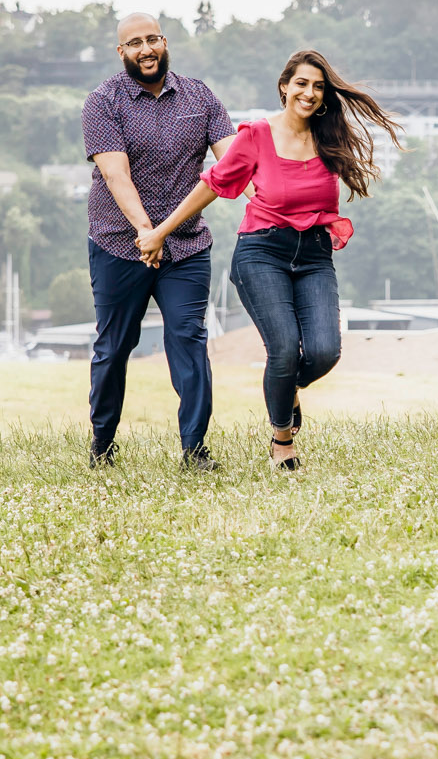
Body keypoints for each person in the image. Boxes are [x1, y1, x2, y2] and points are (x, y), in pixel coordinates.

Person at [145, 49, 402, 471]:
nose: (310, 93)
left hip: (315, 254)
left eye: (319, 87)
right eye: (302, 83)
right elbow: (213, 185)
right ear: (285, 87)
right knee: (282, 349)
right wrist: (160, 231)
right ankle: (283, 439)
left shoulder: (328, 136)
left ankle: (286, 388)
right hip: (262, 251)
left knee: (324, 351)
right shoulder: (257, 135)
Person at [82, 11, 237, 469]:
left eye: (152, 39)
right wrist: (147, 233)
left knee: (188, 339)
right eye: (135, 43)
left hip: (187, 247)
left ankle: (195, 450)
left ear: (165, 42)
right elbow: (115, 174)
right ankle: (103, 446)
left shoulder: (200, 96)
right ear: (122, 52)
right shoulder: (103, 101)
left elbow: (231, 165)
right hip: (118, 243)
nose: (145, 49)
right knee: (114, 347)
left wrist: (268, 194)